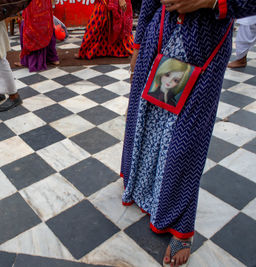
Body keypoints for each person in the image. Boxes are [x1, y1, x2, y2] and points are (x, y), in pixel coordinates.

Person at [121, 0, 256, 266]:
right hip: (158, 34)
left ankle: (179, 222)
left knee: (186, 134)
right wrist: (138, 44)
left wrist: (211, 1)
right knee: (143, 119)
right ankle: (139, 185)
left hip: (203, 42)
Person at [15, 0, 59, 72]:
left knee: (29, 27)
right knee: (46, 26)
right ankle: (52, 58)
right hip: (44, 7)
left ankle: (29, 61)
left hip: (34, 7)